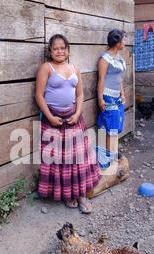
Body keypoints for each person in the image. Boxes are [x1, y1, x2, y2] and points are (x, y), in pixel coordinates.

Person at [35, 34, 100, 214]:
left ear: (68, 50)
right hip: (54, 120)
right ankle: (68, 194)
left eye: (62, 48)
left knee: (79, 158)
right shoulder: (46, 68)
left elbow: (79, 95)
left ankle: (81, 196)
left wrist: (78, 113)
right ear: (50, 51)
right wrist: (49, 117)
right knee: (61, 160)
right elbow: (39, 96)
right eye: (55, 48)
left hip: (74, 118)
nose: (59, 51)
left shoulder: (74, 69)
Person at [97, 29, 127, 160]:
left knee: (117, 124)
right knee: (111, 126)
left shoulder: (119, 58)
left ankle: (111, 153)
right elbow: (101, 80)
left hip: (117, 96)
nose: (125, 42)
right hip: (108, 96)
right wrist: (100, 99)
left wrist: (123, 93)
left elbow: (119, 77)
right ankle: (110, 157)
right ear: (118, 43)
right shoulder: (105, 59)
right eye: (123, 39)